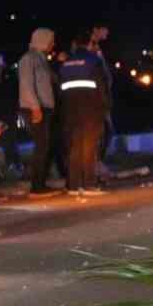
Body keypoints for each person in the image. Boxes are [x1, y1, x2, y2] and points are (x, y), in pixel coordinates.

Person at [57, 35, 109, 196]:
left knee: (75, 146)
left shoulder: (66, 63)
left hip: (70, 109)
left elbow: (59, 88)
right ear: (88, 43)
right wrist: (105, 107)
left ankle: (73, 186)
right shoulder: (93, 60)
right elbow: (102, 85)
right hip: (91, 108)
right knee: (90, 146)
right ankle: (89, 185)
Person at [16, 28, 60, 196]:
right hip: (34, 109)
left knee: (45, 145)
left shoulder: (41, 59)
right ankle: (37, 186)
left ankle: (40, 183)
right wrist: (35, 108)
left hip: (44, 108)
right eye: (51, 40)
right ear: (42, 40)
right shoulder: (29, 59)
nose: (53, 44)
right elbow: (26, 85)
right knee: (41, 146)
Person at [89, 24, 115, 170]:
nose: (107, 32)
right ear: (96, 29)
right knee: (104, 131)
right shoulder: (89, 47)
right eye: (105, 29)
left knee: (107, 131)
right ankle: (95, 163)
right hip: (97, 97)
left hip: (103, 95)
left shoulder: (96, 47)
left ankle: (97, 162)